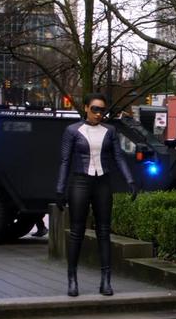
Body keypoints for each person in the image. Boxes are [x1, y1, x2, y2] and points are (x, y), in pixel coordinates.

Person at [56, 93, 137, 297]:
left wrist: (130, 180)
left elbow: (118, 157)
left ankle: (106, 280)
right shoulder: (72, 131)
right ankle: (72, 280)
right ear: (86, 108)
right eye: (95, 109)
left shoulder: (110, 131)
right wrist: (60, 189)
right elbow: (65, 161)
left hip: (102, 182)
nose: (99, 114)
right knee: (76, 232)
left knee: (104, 232)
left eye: (102, 110)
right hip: (80, 181)